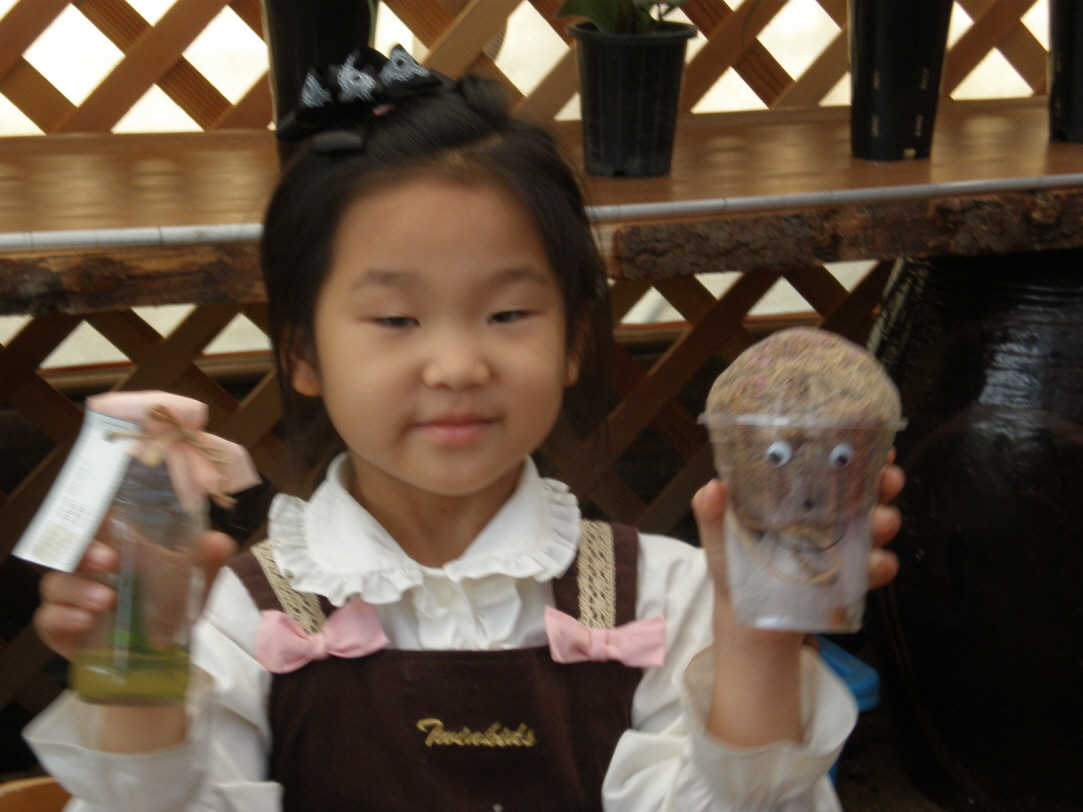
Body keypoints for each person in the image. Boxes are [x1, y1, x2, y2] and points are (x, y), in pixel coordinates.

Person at [25, 49, 903, 812]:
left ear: (573, 340)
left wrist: (755, 638)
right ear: (301, 352)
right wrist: (137, 679)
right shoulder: (226, 618)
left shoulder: (669, 597)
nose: (455, 366)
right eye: (396, 319)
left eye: (508, 313)